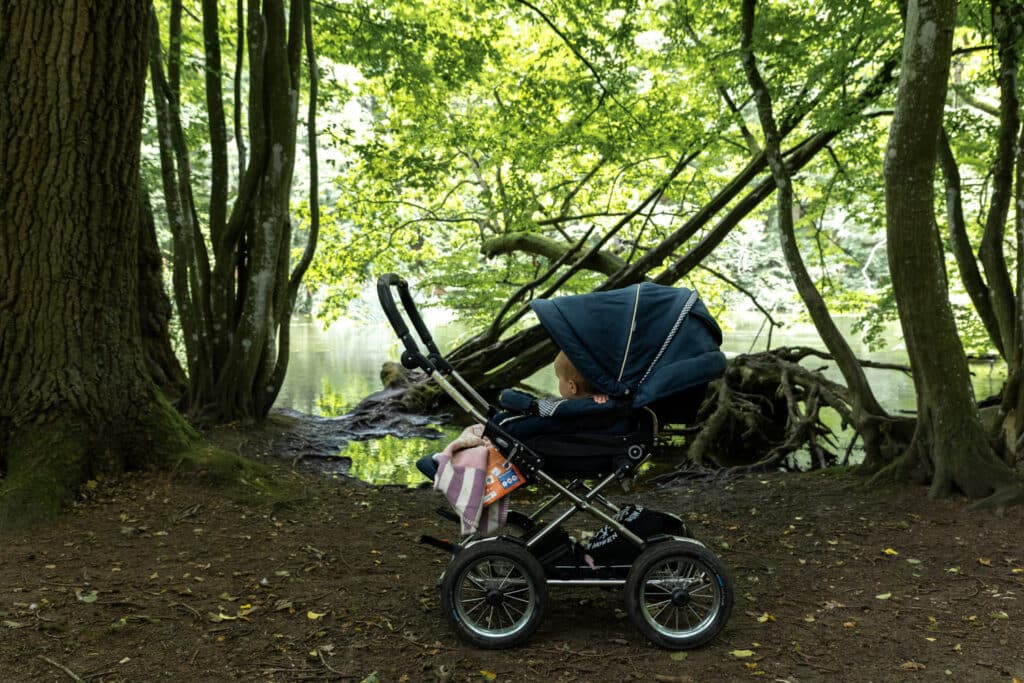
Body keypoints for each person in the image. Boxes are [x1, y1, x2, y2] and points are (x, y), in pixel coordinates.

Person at [415, 351, 607, 480]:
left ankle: (459, 470)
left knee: (485, 436)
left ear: (572, 387)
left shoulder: (561, 410)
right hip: (580, 451)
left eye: (559, 379)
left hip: (525, 449)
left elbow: (511, 398)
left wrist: (517, 401)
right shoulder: (599, 410)